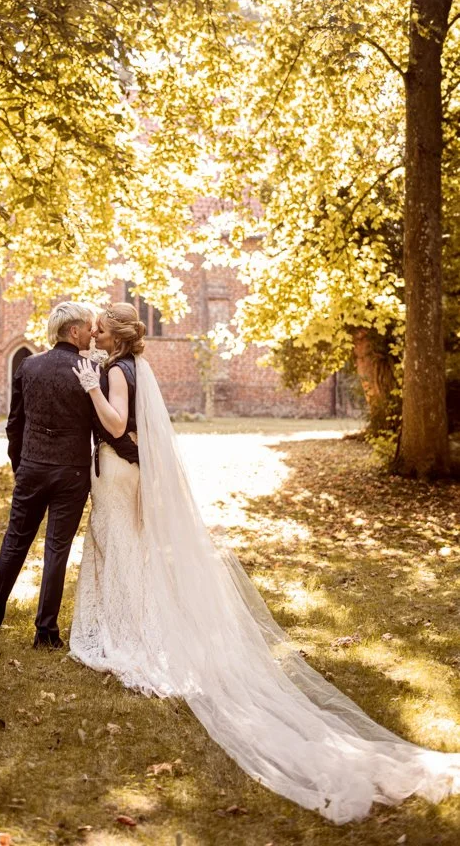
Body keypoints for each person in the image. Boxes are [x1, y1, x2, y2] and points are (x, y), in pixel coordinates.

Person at [70, 302, 460, 824]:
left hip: (118, 472)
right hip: (135, 470)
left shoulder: (116, 371)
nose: (92, 335)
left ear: (112, 336)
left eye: (99, 330)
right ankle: (136, 621)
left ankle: (126, 632)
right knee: (131, 550)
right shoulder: (140, 367)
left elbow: (117, 420)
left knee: (116, 545)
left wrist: (90, 386)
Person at [0, 302, 94, 648]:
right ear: (73, 331)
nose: (91, 333)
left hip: (32, 467)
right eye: (87, 328)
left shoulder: (28, 365)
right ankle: (45, 633)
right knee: (57, 549)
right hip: (72, 471)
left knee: (14, 543)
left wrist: (19, 464)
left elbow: (14, 424)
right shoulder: (89, 369)